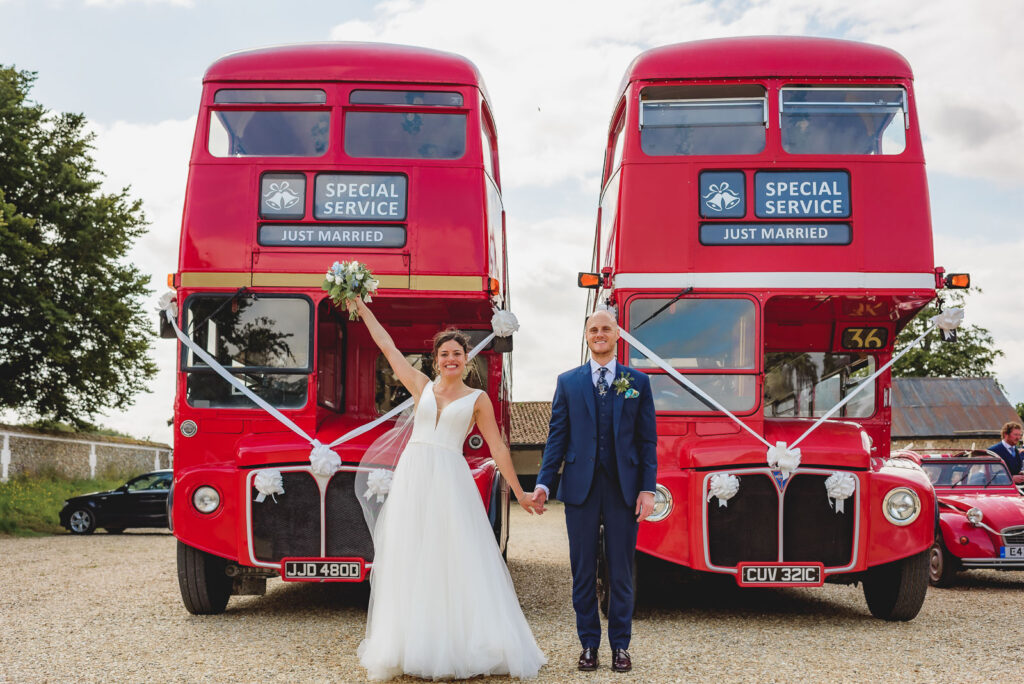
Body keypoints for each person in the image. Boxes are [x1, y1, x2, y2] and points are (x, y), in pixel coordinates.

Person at [349, 296, 546, 681]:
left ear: (466, 359)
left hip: (450, 480)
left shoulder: (478, 399)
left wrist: (520, 492)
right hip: (414, 478)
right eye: (444, 354)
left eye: (457, 353)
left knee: (456, 557)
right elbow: (386, 345)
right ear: (435, 360)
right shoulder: (420, 386)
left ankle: (461, 644)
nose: (450, 359)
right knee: (413, 557)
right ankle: (412, 644)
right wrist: (361, 306)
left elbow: (498, 447)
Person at [531, 309, 658, 673]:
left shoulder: (638, 382)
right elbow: (557, 437)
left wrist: (647, 489)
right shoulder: (568, 382)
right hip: (580, 490)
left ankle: (621, 646)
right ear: (586, 336)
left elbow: (647, 440)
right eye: (593, 329)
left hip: (624, 489)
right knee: (583, 571)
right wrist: (543, 482)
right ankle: (588, 645)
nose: (599, 334)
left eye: (606, 328)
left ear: (616, 334)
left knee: (620, 572)